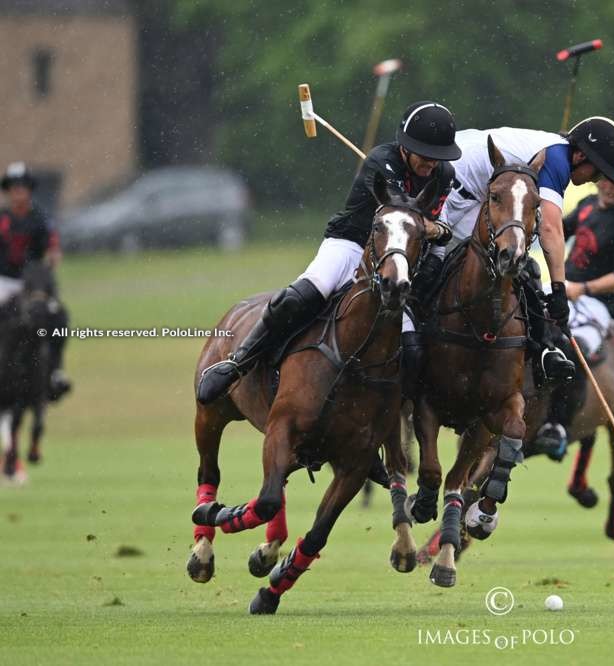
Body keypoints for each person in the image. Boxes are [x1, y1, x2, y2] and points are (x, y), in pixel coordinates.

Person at [196, 101, 462, 481]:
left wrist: (431, 229)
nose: (430, 164)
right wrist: (426, 225)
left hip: (398, 255)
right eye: (424, 155)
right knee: (305, 295)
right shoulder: (381, 162)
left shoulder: (443, 174)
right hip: (352, 243)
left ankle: (382, 428)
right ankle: (237, 362)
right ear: (405, 146)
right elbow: (394, 218)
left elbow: (443, 229)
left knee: (413, 346)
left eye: (437, 157)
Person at [406, 117, 614, 386]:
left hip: (478, 196)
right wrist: (559, 289)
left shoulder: (557, 153)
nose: (594, 181)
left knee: (509, 266)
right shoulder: (558, 160)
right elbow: (551, 230)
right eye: (596, 173)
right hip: (452, 184)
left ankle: (541, 347)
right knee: (437, 260)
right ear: (581, 155)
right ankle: (410, 338)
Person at [532, 157, 614, 458]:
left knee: (573, 346)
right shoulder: (586, 205)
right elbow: (556, 230)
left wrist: (582, 289)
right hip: (564, 287)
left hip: (598, 302)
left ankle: (556, 424)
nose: (612, 187)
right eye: (607, 179)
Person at [0, 162, 72, 400]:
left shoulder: (40, 218)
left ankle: (54, 372)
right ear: (8, 191)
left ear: (29, 190)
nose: (18, 192)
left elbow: (52, 244)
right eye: (13, 188)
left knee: (58, 315)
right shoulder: (2, 220)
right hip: (5, 281)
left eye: (22, 187)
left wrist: (53, 255)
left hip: (34, 285)